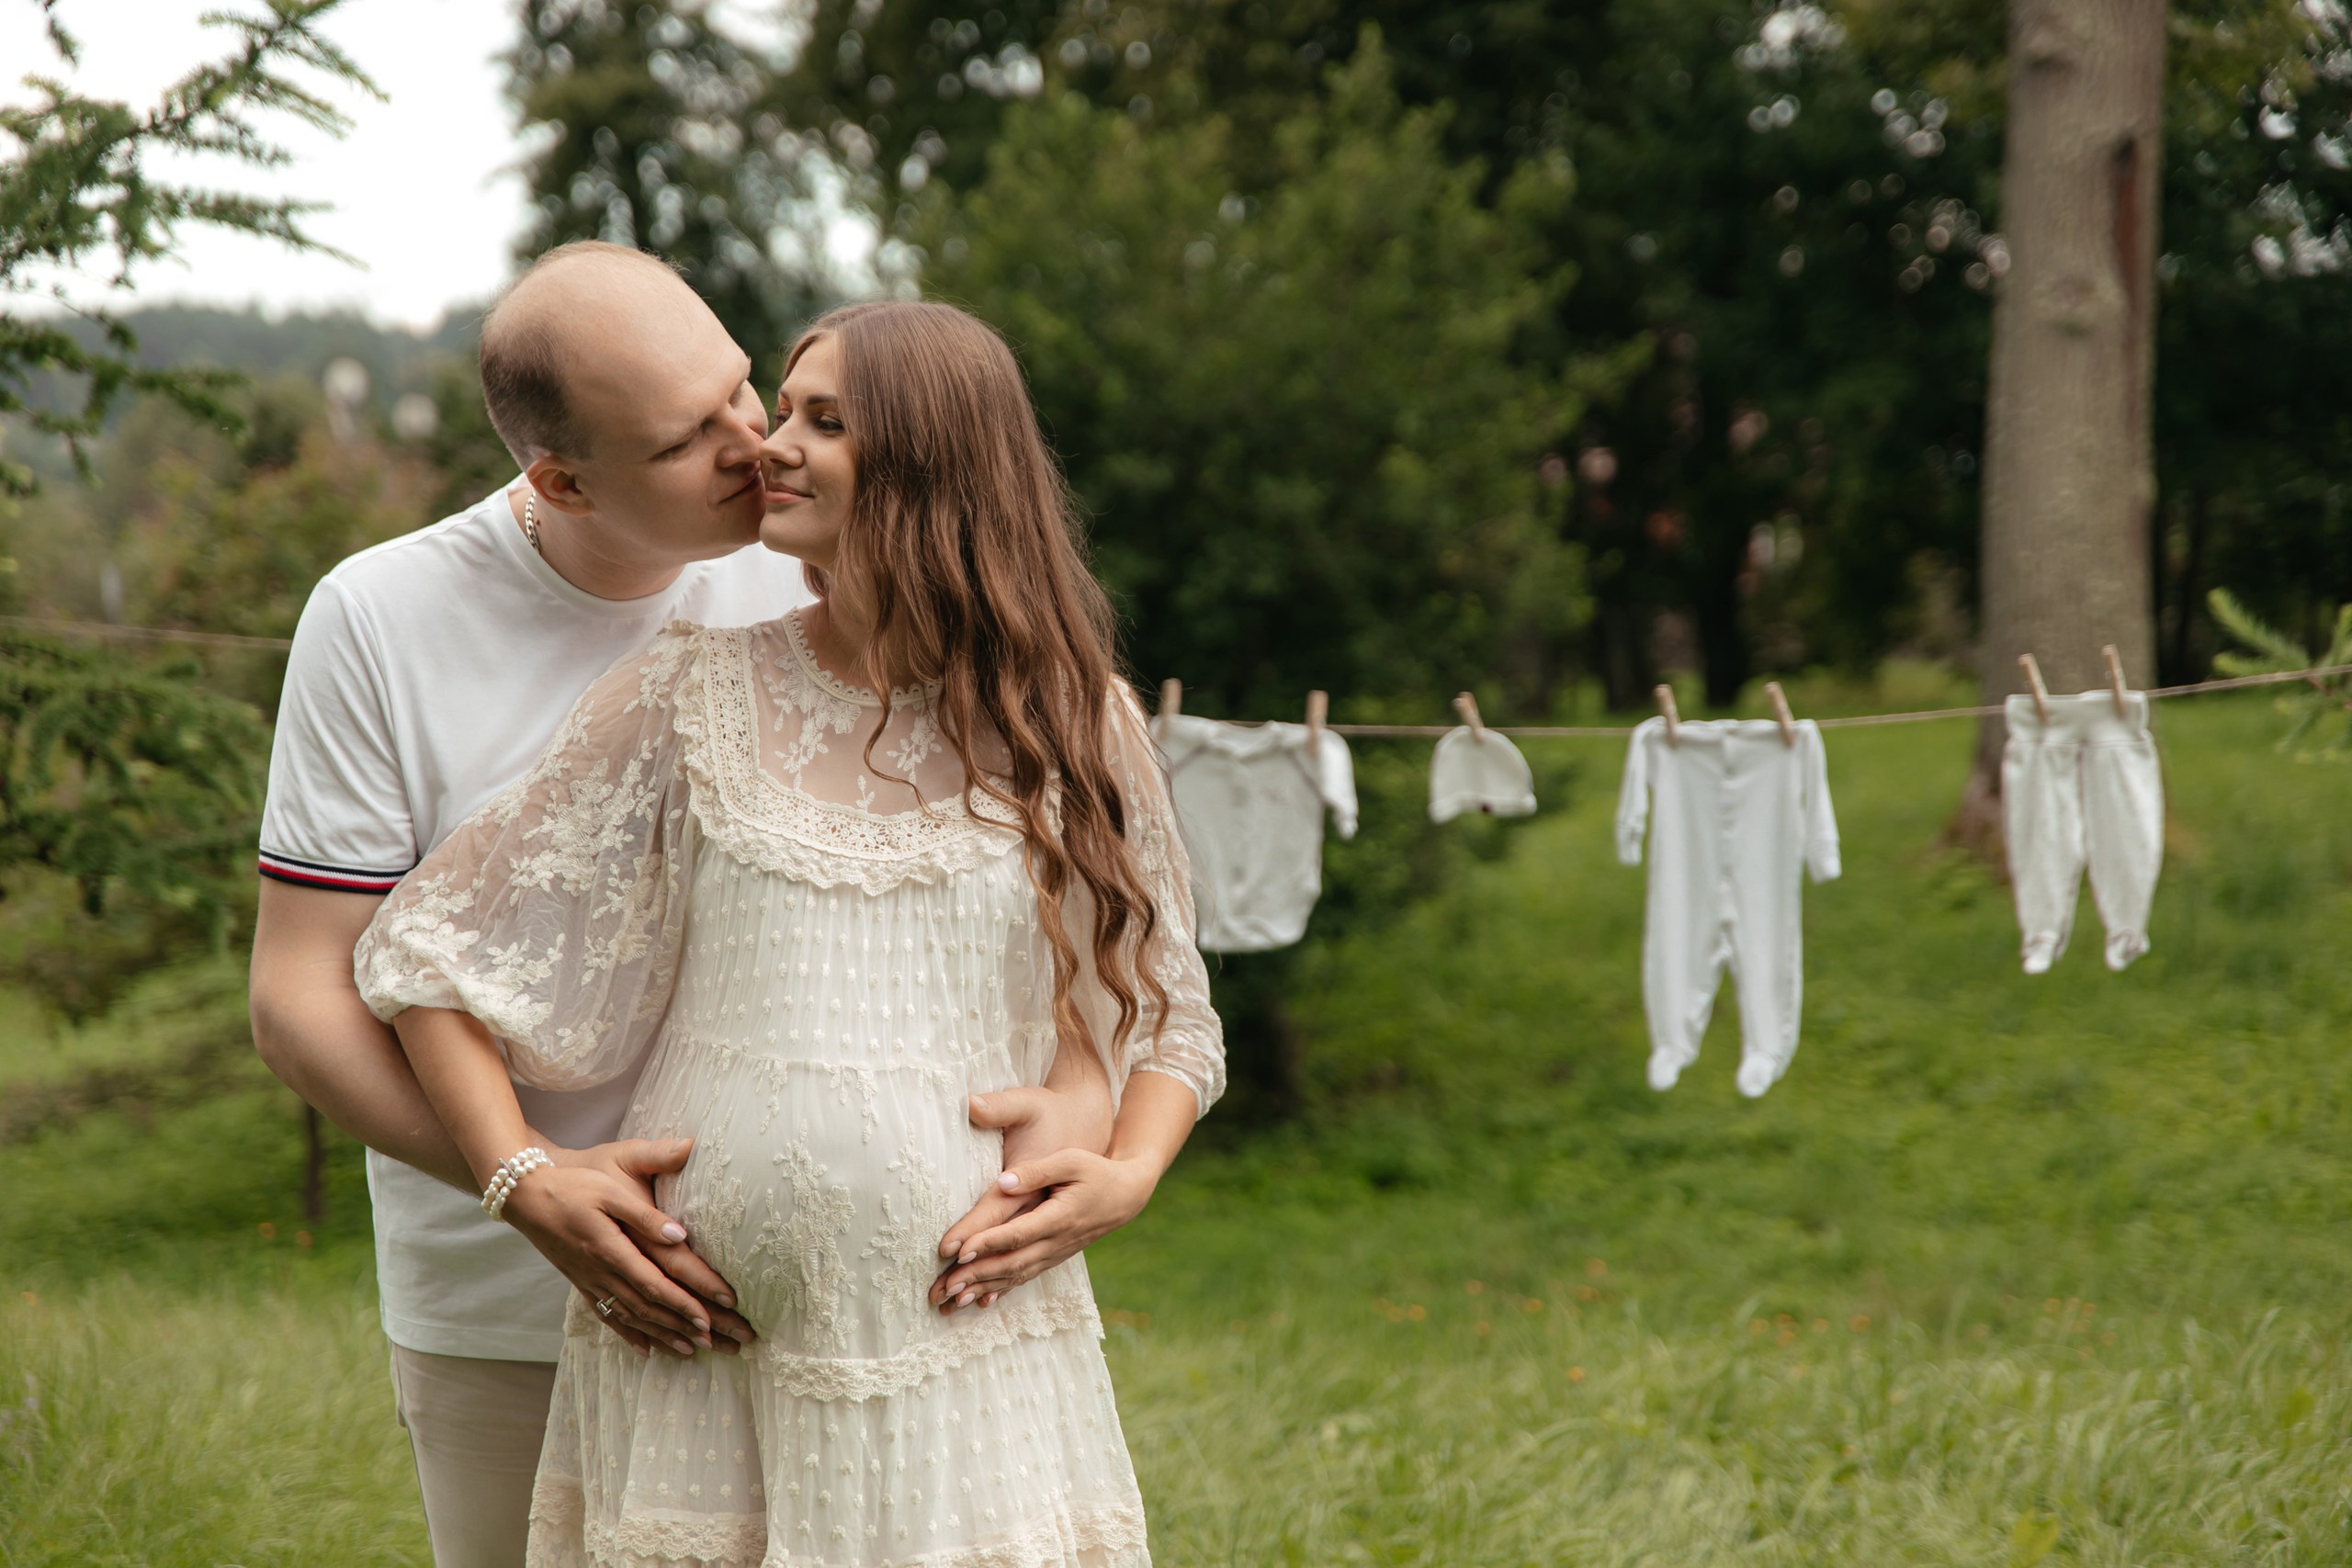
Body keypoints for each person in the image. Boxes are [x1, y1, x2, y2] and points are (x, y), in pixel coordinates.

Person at [247, 249, 1114, 1567]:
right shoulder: (381, 617)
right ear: (564, 482)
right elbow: (303, 996)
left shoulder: (813, 552)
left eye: (741, 390)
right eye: (683, 439)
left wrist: (1084, 1092)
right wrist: (522, 1180)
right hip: (506, 1296)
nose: (753, 444)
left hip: (842, 1316)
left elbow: (1018, 872)